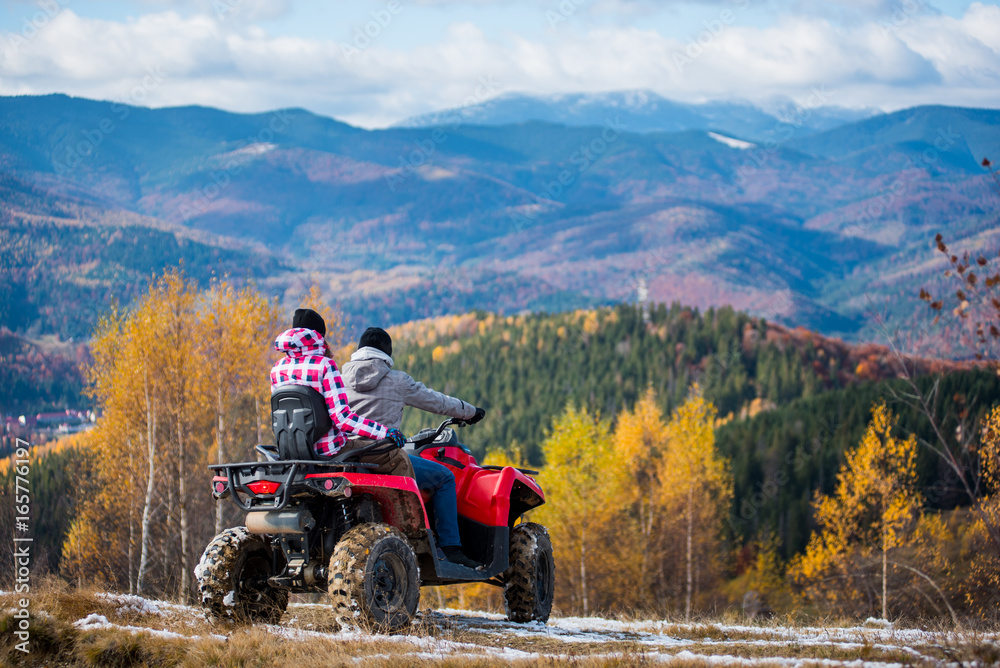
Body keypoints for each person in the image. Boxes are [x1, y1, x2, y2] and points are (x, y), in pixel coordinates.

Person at [342, 326, 485, 569]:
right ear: (387, 353)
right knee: (444, 478)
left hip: (347, 457)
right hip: (382, 456)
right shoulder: (396, 380)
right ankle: (449, 548)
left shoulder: (338, 379)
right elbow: (436, 401)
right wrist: (470, 411)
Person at [270, 309, 407, 461]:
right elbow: (342, 418)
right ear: (319, 336)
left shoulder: (277, 369)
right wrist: (385, 432)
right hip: (330, 451)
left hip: (292, 454)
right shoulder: (325, 365)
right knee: (397, 457)